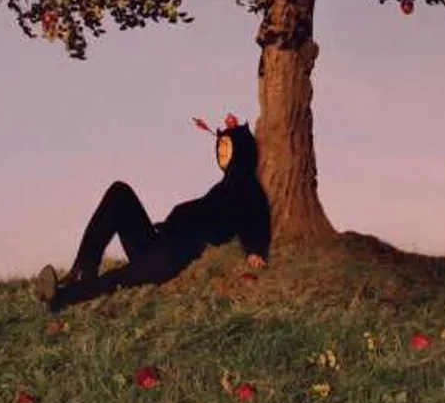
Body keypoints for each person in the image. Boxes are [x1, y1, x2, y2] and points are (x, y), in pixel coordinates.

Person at [36, 114, 271, 313]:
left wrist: (255, 250)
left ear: (241, 149)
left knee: (116, 279)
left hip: (173, 255)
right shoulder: (223, 187)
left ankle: (61, 299)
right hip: (159, 241)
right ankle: (83, 269)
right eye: (218, 146)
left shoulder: (246, 186)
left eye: (226, 146)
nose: (220, 151)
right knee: (120, 193)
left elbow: (256, 215)